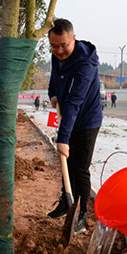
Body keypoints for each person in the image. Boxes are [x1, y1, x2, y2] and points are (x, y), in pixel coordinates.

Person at [46, 18, 103, 234]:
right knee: (66, 165)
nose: (59, 51)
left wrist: (63, 138)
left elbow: (75, 102)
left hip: (87, 121)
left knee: (80, 168)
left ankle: (81, 215)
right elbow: (55, 76)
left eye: (64, 45)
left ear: (74, 39)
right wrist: (53, 93)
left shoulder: (86, 64)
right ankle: (65, 201)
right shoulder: (56, 54)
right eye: (54, 46)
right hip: (68, 116)